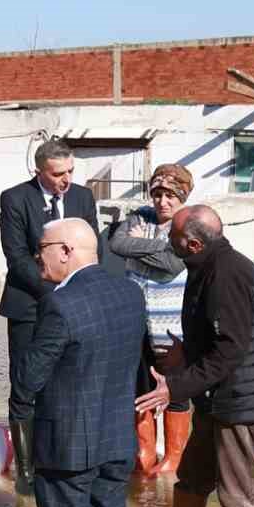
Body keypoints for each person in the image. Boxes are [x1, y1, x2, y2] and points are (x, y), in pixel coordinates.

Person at [10, 218, 146, 507]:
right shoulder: (130, 292)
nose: (39, 260)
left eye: (43, 250)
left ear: (66, 251)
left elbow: (28, 380)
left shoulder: (59, 303)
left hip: (68, 446)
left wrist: (23, 447)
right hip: (117, 439)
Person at [136, 205, 254, 507]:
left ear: (193, 244)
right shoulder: (207, 265)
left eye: (172, 235)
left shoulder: (228, 274)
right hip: (216, 398)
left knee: (243, 497)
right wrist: (185, 354)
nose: (166, 239)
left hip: (240, 402)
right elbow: (222, 339)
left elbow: (230, 351)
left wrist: (174, 387)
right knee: (192, 479)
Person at [0, 139, 100, 488]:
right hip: (29, 305)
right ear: (39, 171)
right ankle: (26, 471)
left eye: (70, 171)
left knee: (67, 381)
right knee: (25, 384)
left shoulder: (83, 198)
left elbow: (91, 248)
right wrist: (56, 292)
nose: (65, 179)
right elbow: (17, 258)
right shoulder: (15, 199)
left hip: (75, 305)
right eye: (58, 174)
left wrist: (77, 294)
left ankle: (60, 457)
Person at [108, 163, 193, 478]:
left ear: (182, 196)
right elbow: (117, 244)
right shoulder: (140, 216)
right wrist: (162, 247)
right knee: (139, 387)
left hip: (173, 327)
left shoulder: (189, 222)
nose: (162, 202)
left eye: (170, 195)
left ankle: (173, 457)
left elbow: (173, 264)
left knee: (174, 390)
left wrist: (141, 248)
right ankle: (144, 451)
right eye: (157, 194)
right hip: (135, 323)